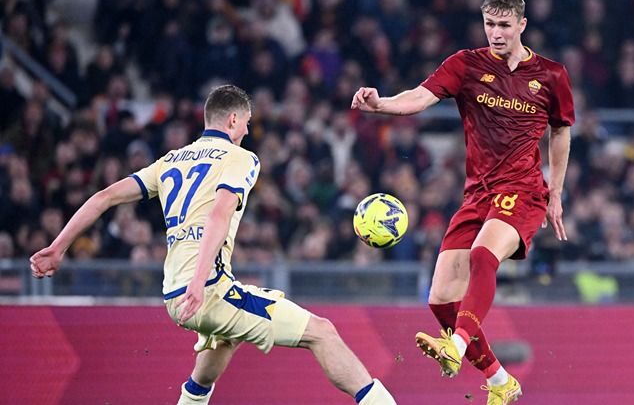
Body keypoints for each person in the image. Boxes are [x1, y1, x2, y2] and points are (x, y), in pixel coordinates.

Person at [30, 85, 397, 405]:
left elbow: (104, 196)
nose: (249, 130)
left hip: (174, 291)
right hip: (204, 289)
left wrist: (58, 247)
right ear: (234, 120)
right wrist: (199, 281)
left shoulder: (171, 160)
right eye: (248, 122)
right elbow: (219, 213)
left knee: (219, 348)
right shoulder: (241, 159)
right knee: (322, 331)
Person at [351, 0, 574, 405]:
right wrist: (381, 104)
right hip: (477, 195)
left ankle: (453, 350)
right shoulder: (466, 65)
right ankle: (500, 381)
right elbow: (419, 97)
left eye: (505, 26)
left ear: (522, 25)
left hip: (523, 191)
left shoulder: (551, 75)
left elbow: (561, 130)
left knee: (482, 256)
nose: (496, 33)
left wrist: (556, 191)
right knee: (440, 299)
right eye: (490, 24)